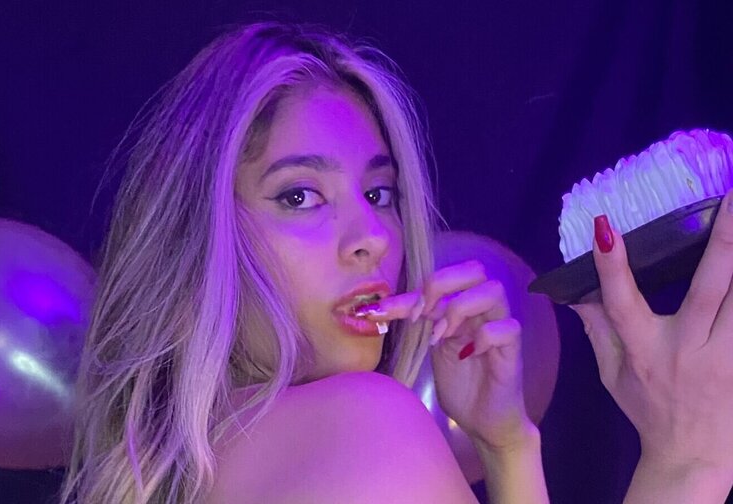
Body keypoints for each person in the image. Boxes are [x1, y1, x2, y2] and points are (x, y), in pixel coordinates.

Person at [60, 21, 733, 503]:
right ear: (195, 237)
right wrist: (687, 458)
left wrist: (508, 449)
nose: (373, 239)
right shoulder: (362, 423)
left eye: (378, 194)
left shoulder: (190, 470)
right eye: (299, 196)